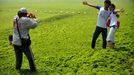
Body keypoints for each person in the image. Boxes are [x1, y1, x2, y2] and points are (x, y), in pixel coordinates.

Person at [12, 7, 37, 71]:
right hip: (23, 41)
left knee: (18, 57)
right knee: (30, 56)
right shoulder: (26, 20)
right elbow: (34, 25)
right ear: (25, 14)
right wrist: (33, 18)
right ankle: (33, 69)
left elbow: (22, 20)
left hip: (15, 41)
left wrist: (27, 17)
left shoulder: (15, 18)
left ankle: (18, 68)